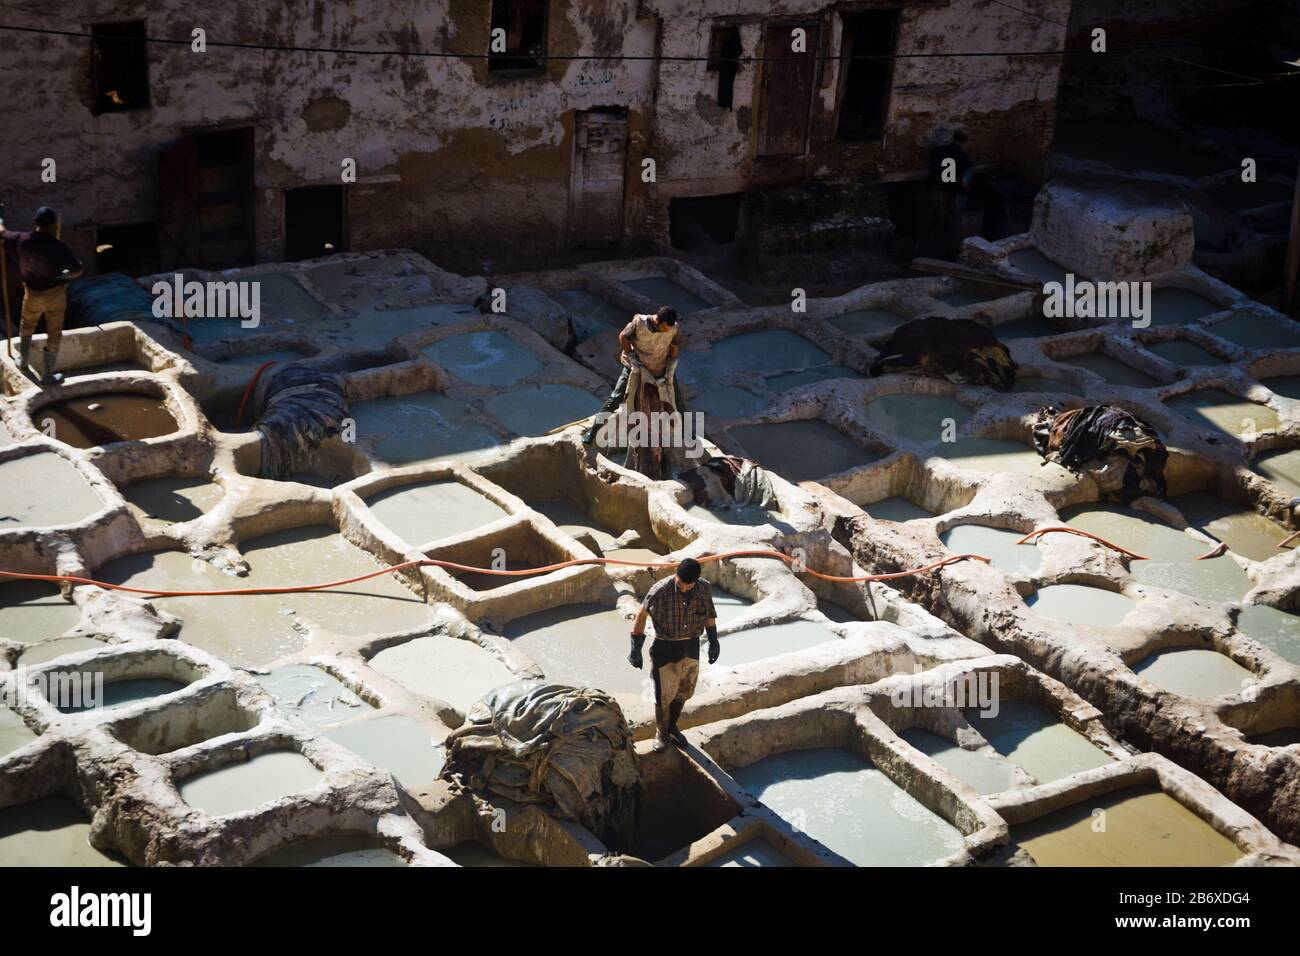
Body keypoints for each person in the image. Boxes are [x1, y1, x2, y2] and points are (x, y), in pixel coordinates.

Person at [628, 557, 719, 753]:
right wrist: (635, 648)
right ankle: (661, 732)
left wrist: (714, 641)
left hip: (691, 646)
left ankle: (672, 727)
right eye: (681, 584)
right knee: (664, 695)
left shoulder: (704, 588)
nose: (684, 588)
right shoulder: (661, 590)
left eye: (689, 585)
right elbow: (641, 614)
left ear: (696, 581)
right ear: (676, 576)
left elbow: (709, 614)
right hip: (666, 647)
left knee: (684, 691)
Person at [0, 206, 82, 384]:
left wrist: (0, 220)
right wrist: (64, 275)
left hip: (32, 293)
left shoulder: (21, 239)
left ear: (34, 221)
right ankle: (47, 376)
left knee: (27, 324)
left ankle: (22, 361)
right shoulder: (58, 246)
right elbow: (77, 269)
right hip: (54, 295)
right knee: (53, 332)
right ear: (53, 225)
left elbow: (2, 233)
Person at [582, 305, 681, 445]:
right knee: (615, 398)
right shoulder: (639, 323)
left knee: (675, 399)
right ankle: (592, 433)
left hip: (660, 366)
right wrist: (633, 360)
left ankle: (685, 433)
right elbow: (623, 337)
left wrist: (670, 371)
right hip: (636, 367)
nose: (667, 330)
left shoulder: (673, 327)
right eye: (665, 327)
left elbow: (675, 348)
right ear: (658, 320)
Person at [922, 129, 973, 259]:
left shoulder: (937, 151)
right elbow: (965, 183)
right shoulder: (965, 159)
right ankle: (935, 255)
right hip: (948, 194)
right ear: (965, 142)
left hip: (933, 190)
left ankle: (922, 250)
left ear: (953, 137)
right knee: (942, 224)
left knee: (927, 220)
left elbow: (931, 161)